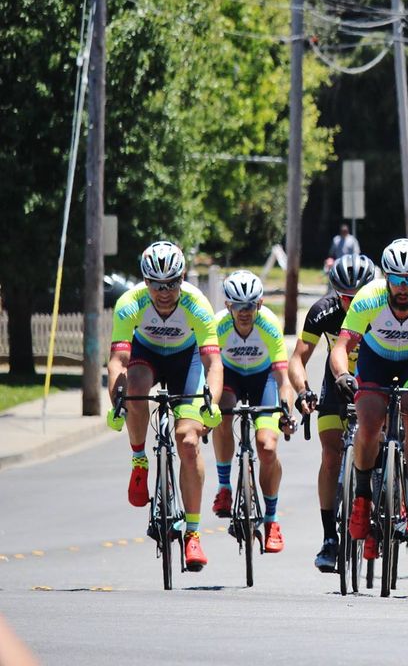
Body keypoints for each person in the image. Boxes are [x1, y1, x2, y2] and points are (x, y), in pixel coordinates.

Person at [330, 239, 408, 545]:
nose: (403, 287)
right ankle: (362, 499)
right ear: (385, 277)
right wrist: (343, 374)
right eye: (396, 279)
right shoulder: (368, 298)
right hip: (375, 359)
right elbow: (341, 348)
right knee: (370, 420)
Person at [106, 241, 224, 571]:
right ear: (145, 282)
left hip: (186, 361)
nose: (164, 292)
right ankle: (140, 459)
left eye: (171, 283)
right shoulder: (130, 303)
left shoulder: (197, 304)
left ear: (182, 278)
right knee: (136, 387)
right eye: (156, 284)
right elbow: (118, 360)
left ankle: (193, 534)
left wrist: (210, 402)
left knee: (187, 443)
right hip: (147, 355)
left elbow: (213, 363)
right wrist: (117, 397)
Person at [288, 253, 376, 572]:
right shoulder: (322, 312)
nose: (352, 304)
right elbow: (297, 358)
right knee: (330, 455)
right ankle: (329, 539)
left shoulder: (382, 310)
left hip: (374, 380)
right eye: (345, 297)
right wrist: (302, 391)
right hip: (336, 384)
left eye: (358, 297)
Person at [210, 271, 296, 553]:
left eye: (249, 306)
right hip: (231, 377)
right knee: (221, 414)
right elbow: (210, 370)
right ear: (228, 306)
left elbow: (283, 379)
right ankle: (224, 488)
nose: (244, 312)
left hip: (264, 380)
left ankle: (272, 521)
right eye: (237, 306)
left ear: (259, 305)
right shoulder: (219, 326)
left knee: (267, 448)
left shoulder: (269, 325)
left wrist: (287, 412)